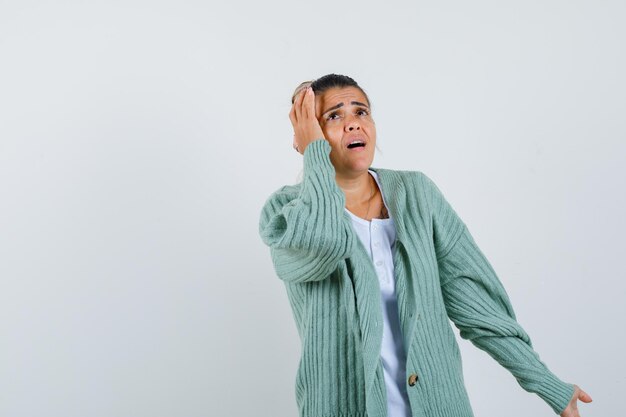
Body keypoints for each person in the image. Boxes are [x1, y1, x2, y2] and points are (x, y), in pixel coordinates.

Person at [258, 73, 592, 417]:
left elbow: (476, 304)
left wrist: (547, 383)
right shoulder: (285, 215)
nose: (353, 125)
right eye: (333, 116)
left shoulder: (417, 194)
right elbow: (325, 241)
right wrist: (313, 153)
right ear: (304, 136)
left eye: (361, 112)